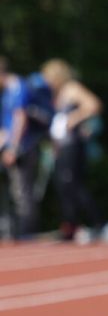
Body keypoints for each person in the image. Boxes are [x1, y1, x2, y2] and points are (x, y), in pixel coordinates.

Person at [42, 60, 105, 242]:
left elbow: (94, 104)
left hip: (74, 145)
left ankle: (97, 222)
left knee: (74, 184)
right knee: (62, 186)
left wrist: (75, 118)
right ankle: (70, 224)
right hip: (62, 146)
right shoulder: (56, 94)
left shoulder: (72, 88)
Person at [2, 59, 55, 239]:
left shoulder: (18, 88)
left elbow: (20, 119)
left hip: (24, 147)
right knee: (17, 191)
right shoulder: (7, 93)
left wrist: (13, 148)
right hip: (13, 146)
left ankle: (27, 233)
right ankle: (19, 231)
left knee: (23, 191)